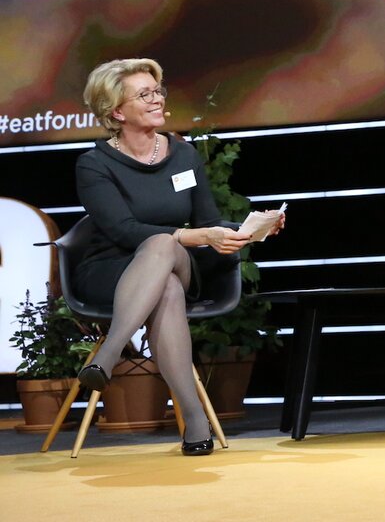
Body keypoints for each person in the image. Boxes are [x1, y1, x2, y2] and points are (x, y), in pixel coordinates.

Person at [72, 58, 285, 456]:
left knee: (165, 247)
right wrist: (193, 235)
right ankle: (195, 423)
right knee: (164, 275)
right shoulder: (94, 163)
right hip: (111, 270)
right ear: (117, 111)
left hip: (180, 261)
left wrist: (248, 228)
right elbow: (122, 230)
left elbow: (206, 220)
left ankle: (109, 353)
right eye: (144, 94)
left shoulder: (183, 154)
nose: (157, 100)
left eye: (158, 91)